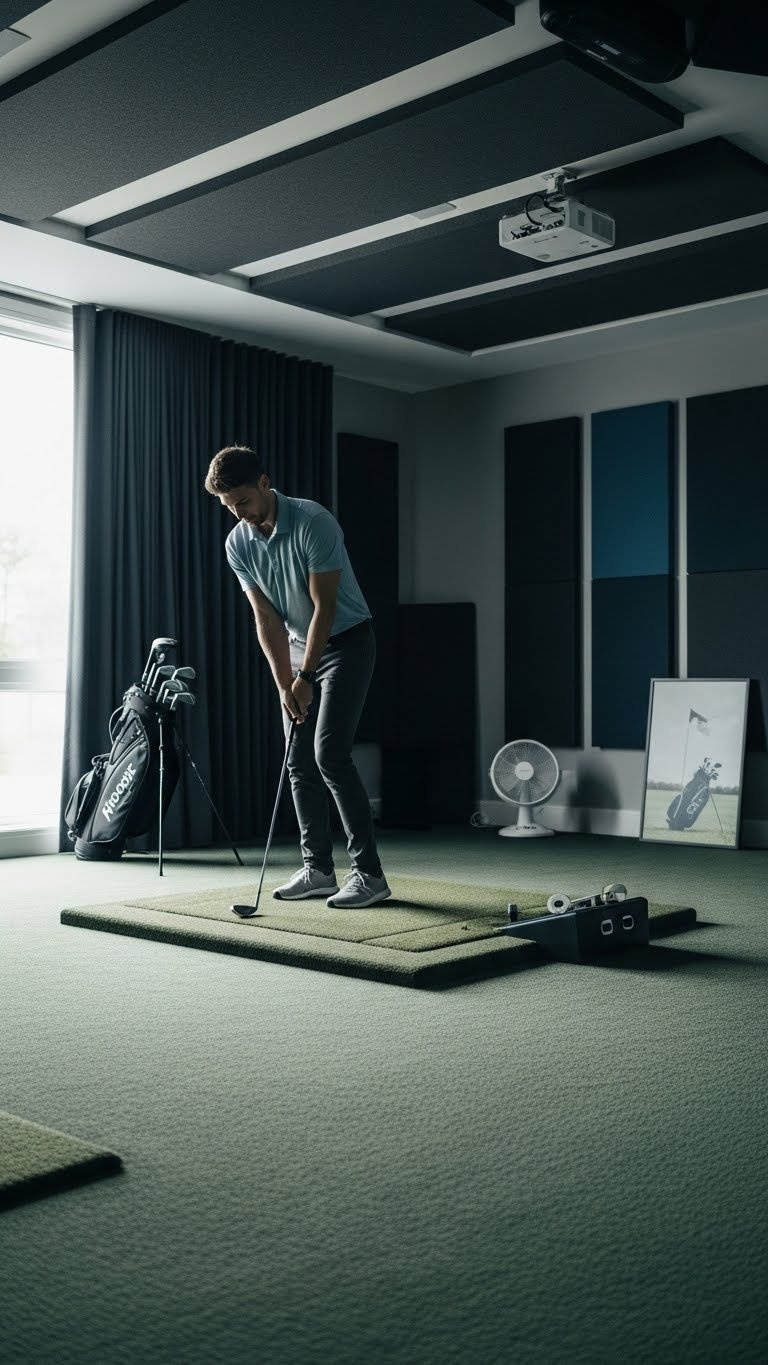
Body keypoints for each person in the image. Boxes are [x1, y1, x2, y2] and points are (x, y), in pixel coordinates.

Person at [204, 444, 390, 908]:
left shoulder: (313, 521)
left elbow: (324, 607)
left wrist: (306, 673)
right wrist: (284, 682)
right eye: (228, 507)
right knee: (298, 762)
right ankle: (319, 870)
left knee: (330, 754)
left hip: (346, 641)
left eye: (242, 501)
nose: (239, 514)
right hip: (293, 647)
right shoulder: (238, 543)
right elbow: (265, 618)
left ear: (265, 483)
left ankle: (370, 876)